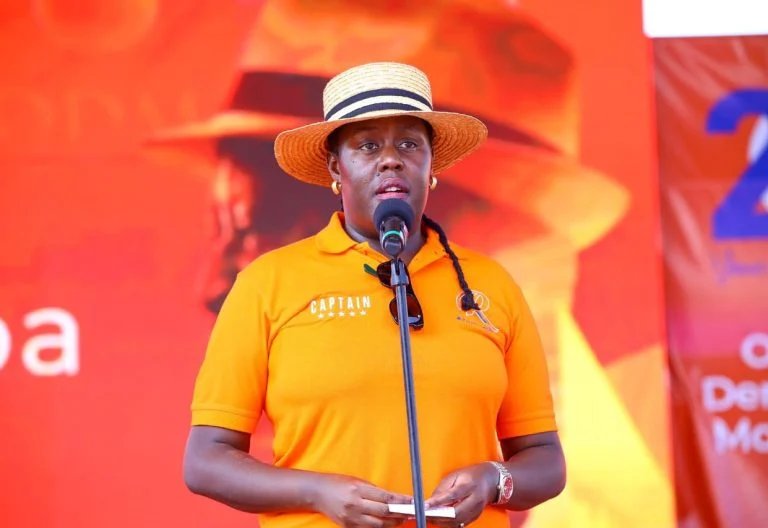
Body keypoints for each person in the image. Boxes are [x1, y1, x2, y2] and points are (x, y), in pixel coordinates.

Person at [183, 62, 566, 528]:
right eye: (367, 145)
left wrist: (492, 479)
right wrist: (317, 491)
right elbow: (206, 461)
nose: (391, 159)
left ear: (431, 166)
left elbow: (545, 460)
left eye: (409, 143)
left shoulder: (490, 284)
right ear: (334, 167)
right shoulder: (268, 283)